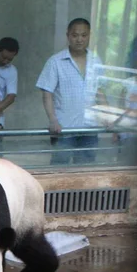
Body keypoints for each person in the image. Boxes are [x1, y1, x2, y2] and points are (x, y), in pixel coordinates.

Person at [36, 18, 108, 165]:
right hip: (63, 129)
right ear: (68, 35)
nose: (79, 39)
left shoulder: (96, 60)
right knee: (59, 167)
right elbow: (47, 94)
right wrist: (53, 120)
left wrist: (108, 117)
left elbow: (99, 91)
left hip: (90, 128)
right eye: (75, 35)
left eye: (84, 35)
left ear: (89, 36)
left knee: (85, 169)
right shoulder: (55, 61)